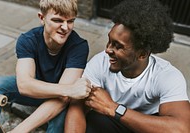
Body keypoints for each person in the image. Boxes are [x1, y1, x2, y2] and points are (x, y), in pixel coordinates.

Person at [64, 0, 190, 133]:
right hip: (113, 124)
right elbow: (76, 109)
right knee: (94, 119)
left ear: (142, 54)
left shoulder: (166, 76)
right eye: (109, 41)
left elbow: (181, 129)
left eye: (118, 46)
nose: (107, 50)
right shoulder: (100, 62)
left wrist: (114, 108)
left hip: (147, 126)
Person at [0, 0, 91, 132]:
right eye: (58, 20)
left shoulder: (79, 46)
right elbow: (24, 86)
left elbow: (64, 98)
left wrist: (18, 130)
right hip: (37, 92)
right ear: (42, 18)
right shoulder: (28, 39)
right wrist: (70, 89)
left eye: (70, 21)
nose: (66, 28)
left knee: (61, 117)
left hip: (59, 99)